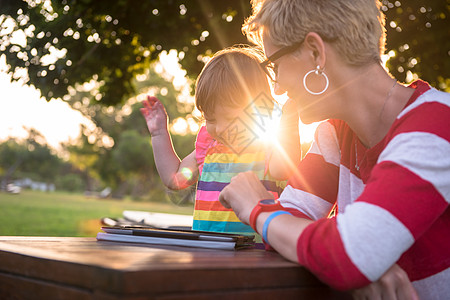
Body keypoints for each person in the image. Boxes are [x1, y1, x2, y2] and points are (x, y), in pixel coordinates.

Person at [218, 0, 449, 299]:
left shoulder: (437, 124)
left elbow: (347, 253)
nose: (277, 88)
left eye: (275, 65)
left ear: (315, 52)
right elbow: (289, 222)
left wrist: (258, 210)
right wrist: (354, 257)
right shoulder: (334, 133)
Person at [141, 46, 301, 240]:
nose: (220, 129)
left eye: (230, 118)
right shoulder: (209, 148)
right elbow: (174, 178)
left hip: (255, 254)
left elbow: (282, 169)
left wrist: (290, 120)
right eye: (211, 119)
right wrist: (159, 133)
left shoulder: (266, 146)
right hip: (208, 250)